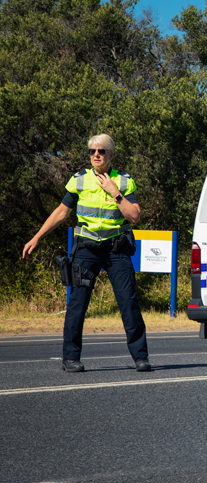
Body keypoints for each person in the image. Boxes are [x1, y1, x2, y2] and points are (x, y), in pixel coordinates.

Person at [22, 134, 151, 373]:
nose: (96, 155)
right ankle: (70, 358)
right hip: (86, 250)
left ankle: (141, 357)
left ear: (111, 154)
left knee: (129, 303)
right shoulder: (79, 180)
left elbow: (134, 216)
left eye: (101, 151)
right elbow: (61, 213)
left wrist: (115, 192)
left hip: (116, 250)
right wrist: (36, 237)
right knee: (77, 304)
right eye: (92, 151)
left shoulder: (123, 181)